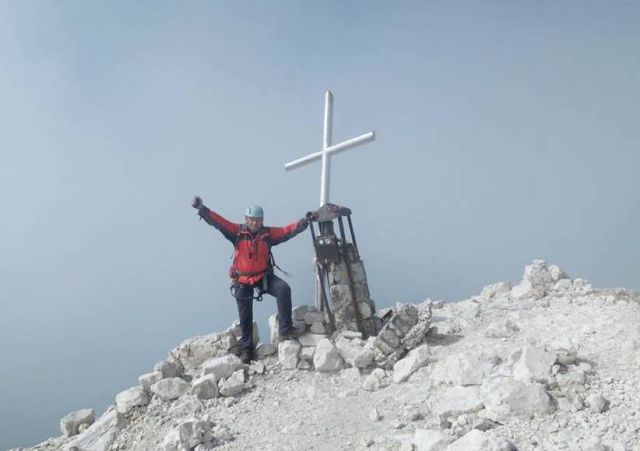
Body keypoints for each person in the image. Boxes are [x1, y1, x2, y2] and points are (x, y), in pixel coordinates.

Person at [191, 196, 309, 363]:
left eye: (258, 220)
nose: (255, 223)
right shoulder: (237, 232)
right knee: (245, 315)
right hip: (242, 279)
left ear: (262, 221)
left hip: (263, 277)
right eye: (252, 220)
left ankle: (286, 328)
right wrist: (202, 208)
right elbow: (219, 222)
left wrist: (304, 221)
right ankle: (247, 350)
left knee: (283, 289)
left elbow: (286, 231)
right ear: (246, 219)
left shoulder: (268, 234)